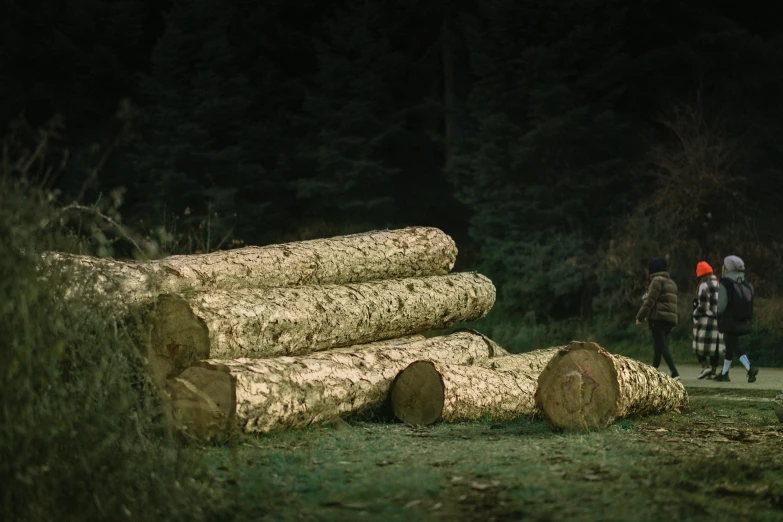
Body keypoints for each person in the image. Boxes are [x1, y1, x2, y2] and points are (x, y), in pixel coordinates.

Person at [715, 255, 759, 383]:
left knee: (734, 346)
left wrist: (716, 314)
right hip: (741, 320)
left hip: (729, 321)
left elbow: (721, 306)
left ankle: (750, 368)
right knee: (729, 346)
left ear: (728, 268)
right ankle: (724, 373)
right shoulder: (745, 283)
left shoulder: (725, 283)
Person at [636, 257, 680, 380]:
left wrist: (640, 316)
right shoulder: (671, 282)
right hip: (668, 320)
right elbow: (674, 304)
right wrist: (674, 321)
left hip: (658, 318)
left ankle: (675, 372)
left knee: (661, 346)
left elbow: (650, 301)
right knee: (658, 346)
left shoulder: (656, 281)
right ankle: (653, 372)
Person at [692, 261, 724, 379]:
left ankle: (705, 367)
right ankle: (714, 371)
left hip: (706, 320)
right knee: (714, 347)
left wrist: (695, 313)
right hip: (718, 320)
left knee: (698, 346)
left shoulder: (704, 286)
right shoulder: (719, 284)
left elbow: (703, 306)